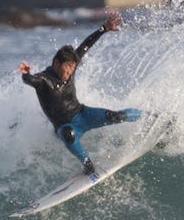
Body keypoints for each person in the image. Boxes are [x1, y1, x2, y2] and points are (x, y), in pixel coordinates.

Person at [18, 10, 142, 176]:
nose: (70, 71)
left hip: (83, 114)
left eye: (72, 68)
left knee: (116, 116)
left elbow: (85, 45)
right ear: (56, 63)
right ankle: (87, 164)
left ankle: (151, 116)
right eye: (67, 67)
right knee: (68, 135)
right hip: (64, 126)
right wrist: (26, 74)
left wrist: (104, 29)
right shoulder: (44, 80)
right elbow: (30, 80)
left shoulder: (71, 67)